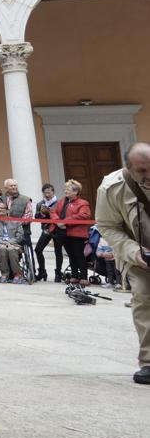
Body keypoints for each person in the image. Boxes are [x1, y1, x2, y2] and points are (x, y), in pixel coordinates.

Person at [94, 143, 150, 384]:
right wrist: (132, 250)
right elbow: (107, 226)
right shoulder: (112, 187)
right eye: (142, 171)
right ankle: (149, 362)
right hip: (139, 253)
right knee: (144, 297)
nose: (148, 175)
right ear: (128, 168)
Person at [56, 180, 93, 284]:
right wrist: (57, 222)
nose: (65, 191)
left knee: (78, 254)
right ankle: (74, 275)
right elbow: (54, 211)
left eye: (68, 189)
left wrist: (65, 222)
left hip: (77, 234)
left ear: (76, 192)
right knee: (71, 255)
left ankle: (84, 277)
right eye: (65, 189)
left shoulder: (83, 203)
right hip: (64, 233)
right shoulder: (62, 201)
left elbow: (84, 216)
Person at [0, 198, 27, 283]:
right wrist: (3, 242)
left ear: (7, 210)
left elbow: (20, 236)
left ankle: (18, 274)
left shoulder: (16, 221)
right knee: (3, 249)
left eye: (2, 208)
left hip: (14, 244)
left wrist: (10, 242)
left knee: (11, 249)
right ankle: (5, 274)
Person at [33, 183, 63, 281]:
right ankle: (42, 271)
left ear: (53, 192)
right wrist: (41, 213)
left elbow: (62, 217)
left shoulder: (60, 203)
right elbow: (36, 217)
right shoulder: (40, 203)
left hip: (57, 229)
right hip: (46, 229)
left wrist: (50, 213)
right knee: (38, 249)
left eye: (49, 192)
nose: (47, 195)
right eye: (45, 193)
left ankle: (58, 273)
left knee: (58, 251)